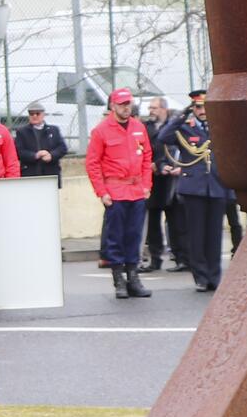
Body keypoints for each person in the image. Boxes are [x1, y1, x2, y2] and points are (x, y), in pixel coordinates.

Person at [85, 89, 156, 299]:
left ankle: (133, 278)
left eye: (129, 104)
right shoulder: (101, 131)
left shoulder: (138, 127)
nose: (127, 107)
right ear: (113, 106)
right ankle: (119, 280)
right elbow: (93, 163)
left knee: (134, 236)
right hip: (115, 190)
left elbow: (146, 157)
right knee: (115, 237)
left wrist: (146, 185)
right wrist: (102, 191)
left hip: (136, 190)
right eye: (122, 104)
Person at [163, 89, 230, 292]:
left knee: (214, 236)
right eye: (198, 107)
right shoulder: (185, 128)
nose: (202, 111)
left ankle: (214, 276)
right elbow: (163, 137)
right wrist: (180, 116)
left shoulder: (219, 127)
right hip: (194, 188)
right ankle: (200, 277)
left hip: (216, 186)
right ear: (193, 108)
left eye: (205, 107)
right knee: (197, 235)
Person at [141, 95, 180, 271]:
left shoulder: (172, 126)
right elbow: (141, 148)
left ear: (163, 109)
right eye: (150, 108)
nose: (151, 111)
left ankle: (180, 256)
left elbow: (175, 148)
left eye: (154, 108)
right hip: (152, 177)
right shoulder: (145, 127)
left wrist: (165, 164)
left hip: (170, 177)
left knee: (175, 219)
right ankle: (155, 259)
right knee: (153, 221)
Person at [12, 101, 68, 179]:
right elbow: (19, 151)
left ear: (43, 114)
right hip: (30, 173)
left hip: (51, 173)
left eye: (37, 113)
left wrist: (51, 155)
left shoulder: (54, 130)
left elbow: (63, 148)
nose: (34, 116)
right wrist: (35, 155)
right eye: (31, 114)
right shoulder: (22, 132)